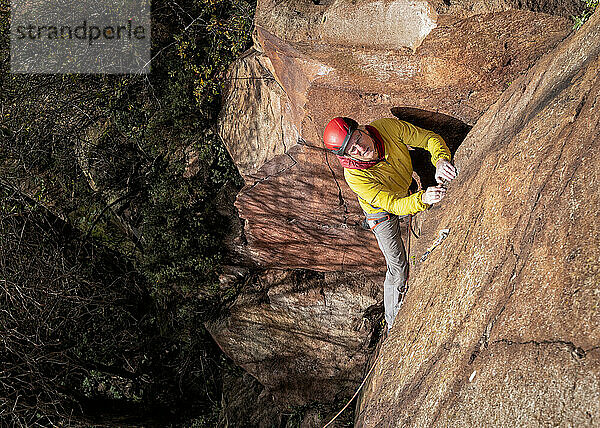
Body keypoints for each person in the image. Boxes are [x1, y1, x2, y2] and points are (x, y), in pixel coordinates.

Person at [323, 117, 457, 332]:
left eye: (357, 138)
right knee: (398, 267)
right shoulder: (355, 176)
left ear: (362, 129)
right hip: (380, 213)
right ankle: (393, 323)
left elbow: (428, 138)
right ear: (346, 156)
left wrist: (440, 160)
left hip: (402, 190)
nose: (359, 147)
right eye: (351, 149)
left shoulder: (386, 128)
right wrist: (422, 200)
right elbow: (392, 205)